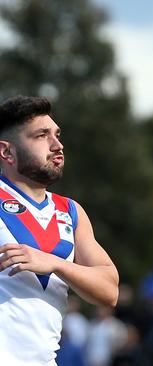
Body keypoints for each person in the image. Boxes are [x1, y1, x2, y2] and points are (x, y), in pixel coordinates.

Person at [0, 96, 119, 365]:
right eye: (42, 135)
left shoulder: (71, 211)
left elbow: (109, 291)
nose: (57, 145)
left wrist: (55, 264)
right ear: (6, 152)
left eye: (57, 134)